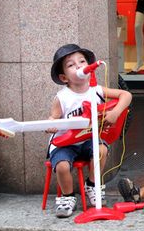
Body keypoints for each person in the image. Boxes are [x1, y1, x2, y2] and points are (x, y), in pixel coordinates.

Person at [47, 44, 132, 218]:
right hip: (65, 143)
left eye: (82, 61)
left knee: (101, 150)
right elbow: (53, 118)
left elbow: (126, 96)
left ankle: (92, 185)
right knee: (62, 166)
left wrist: (115, 113)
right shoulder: (62, 97)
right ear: (64, 77)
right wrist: (52, 124)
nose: (79, 66)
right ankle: (68, 197)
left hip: (88, 139)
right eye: (71, 65)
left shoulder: (97, 90)